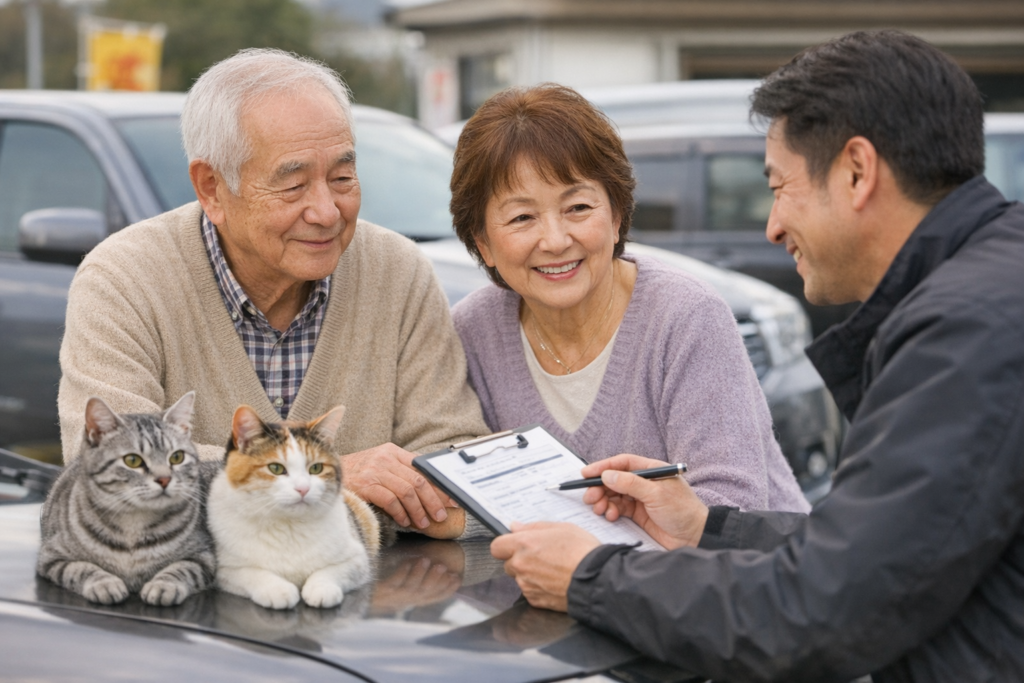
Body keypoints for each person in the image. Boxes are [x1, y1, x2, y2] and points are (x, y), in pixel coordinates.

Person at [491, 30, 1024, 682]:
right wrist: (706, 527)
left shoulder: (968, 335)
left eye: (779, 186)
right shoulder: (988, 289)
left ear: (856, 171)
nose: (771, 226)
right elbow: (887, 549)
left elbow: (819, 611)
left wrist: (591, 576)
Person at [57, 49, 487, 538]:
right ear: (212, 188)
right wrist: (333, 476)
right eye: (294, 185)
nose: (327, 211)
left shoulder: (399, 271)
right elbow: (102, 474)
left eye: (342, 177)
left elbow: (456, 465)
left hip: (369, 597)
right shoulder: (124, 279)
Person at [449, 84, 808, 513]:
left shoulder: (687, 317)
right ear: (483, 243)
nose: (556, 240)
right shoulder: (471, 331)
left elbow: (735, 509)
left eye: (578, 208)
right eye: (522, 217)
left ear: (617, 216)